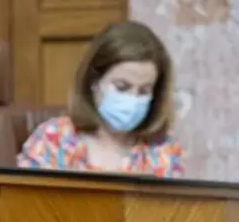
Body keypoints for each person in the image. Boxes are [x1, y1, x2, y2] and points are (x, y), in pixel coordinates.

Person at [17, 20, 184, 177]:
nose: (132, 99)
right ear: (94, 81)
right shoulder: (54, 140)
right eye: (122, 87)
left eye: (143, 91)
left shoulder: (163, 152)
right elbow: (23, 197)